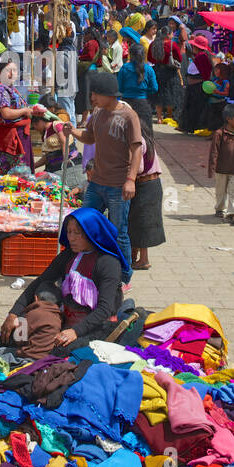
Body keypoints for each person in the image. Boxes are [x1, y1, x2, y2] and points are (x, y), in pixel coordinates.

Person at [0, 209, 127, 353]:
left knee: (55, 351)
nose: (71, 237)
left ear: (92, 233)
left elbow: (105, 309)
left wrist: (75, 331)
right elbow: (40, 282)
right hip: (67, 320)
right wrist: (14, 314)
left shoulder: (108, 263)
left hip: (96, 327)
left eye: (77, 233)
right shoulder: (69, 255)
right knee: (15, 329)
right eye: (69, 231)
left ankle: (22, 360)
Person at [70, 71, 142, 284]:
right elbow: (89, 137)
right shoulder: (98, 114)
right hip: (96, 183)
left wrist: (131, 180)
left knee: (119, 232)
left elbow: (136, 149)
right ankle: (83, 266)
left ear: (109, 94)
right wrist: (72, 131)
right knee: (84, 223)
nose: (92, 98)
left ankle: (124, 276)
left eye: (96, 94)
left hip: (118, 185)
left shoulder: (129, 116)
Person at [0, 59, 39, 174]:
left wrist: (30, 111)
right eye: (8, 70)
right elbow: (6, 113)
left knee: (20, 174)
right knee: (11, 174)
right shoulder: (0, 89)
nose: (12, 74)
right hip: (8, 137)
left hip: (19, 134)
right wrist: (25, 111)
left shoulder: (11, 89)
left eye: (15, 71)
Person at [129, 136, 166, 270]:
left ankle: (143, 260)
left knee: (142, 223)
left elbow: (138, 168)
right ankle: (137, 257)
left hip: (145, 185)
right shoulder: (146, 140)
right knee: (141, 222)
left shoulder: (138, 141)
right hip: (151, 184)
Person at [209, 103, 234, 225]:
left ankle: (233, 212)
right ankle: (220, 209)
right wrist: (212, 168)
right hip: (221, 169)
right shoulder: (219, 133)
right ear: (228, 119)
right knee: (220, 191)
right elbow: (214, 152)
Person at [118, 38, 158, 140]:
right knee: (145, 135)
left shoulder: (124, 68)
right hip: (143, 104)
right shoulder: (149, 69)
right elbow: (154, 88)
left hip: (126, 104)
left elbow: (120, 88)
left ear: (130, 54)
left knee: (125, 134)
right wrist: (145, 92)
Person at [147, 19, 184, 123]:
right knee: (170, 93)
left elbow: (150, 58)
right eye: (172, 33)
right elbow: (179, 59)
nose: (173, 35)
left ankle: (159, 118)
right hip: (170, 72)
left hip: (157, 71)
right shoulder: (172, 45)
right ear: (168, 34)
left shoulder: (153, 44)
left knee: (158, 94)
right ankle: (169, 116)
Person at [178, 34, 214, 134]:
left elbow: (205, 74)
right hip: (194, 87)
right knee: (192, 107)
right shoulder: (200, 56)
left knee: (193, 108)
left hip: (197, 88)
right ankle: (188, 127)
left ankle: (190, 127)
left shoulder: (201, 57)